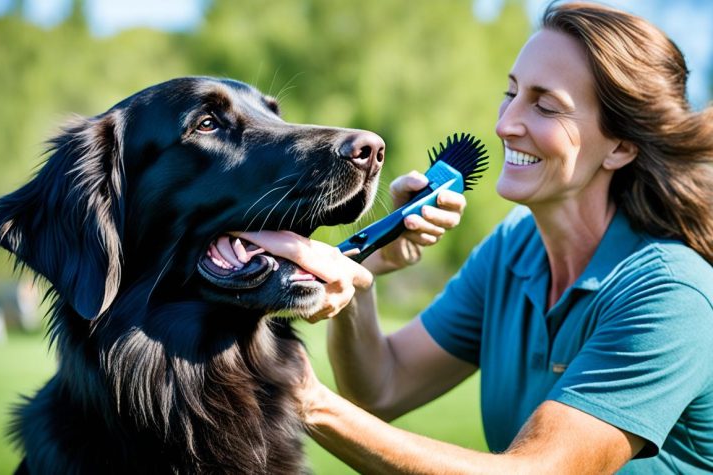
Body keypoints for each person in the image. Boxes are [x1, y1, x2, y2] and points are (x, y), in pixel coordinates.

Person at [241, 2, 713, 473]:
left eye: (546, 105)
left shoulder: (671, 295)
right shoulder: (512, 251)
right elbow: (381, 390)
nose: (506, 124)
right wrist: (366, 272)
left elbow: (539, 471)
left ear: (621, 146)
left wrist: (308, 397)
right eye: (511, 93)